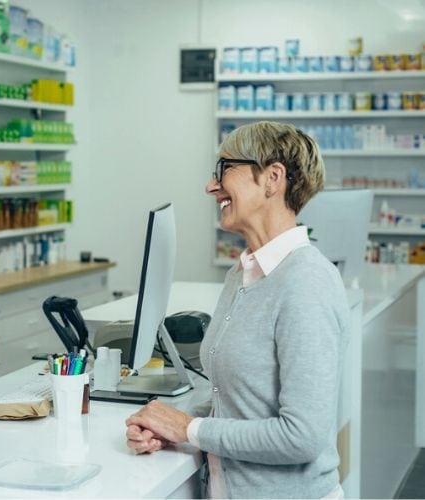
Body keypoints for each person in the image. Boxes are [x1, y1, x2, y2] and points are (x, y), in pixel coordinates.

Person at [125, 121, 350, 499]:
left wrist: (189, 429)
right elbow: (239, 401)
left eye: (225, 169)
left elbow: (303, 436)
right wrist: (165, 426)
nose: (211, 186)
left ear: (272, 178)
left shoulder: (307, 282)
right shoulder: (242, 272)